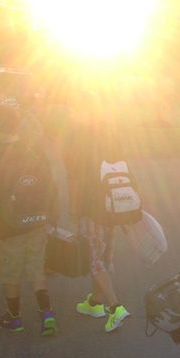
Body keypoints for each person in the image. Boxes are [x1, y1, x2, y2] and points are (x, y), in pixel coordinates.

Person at [0, 104, 58, 335]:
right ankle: (47, 315)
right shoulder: (34, 150)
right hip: (38, 220)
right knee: (36, 269)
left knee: (10, 272)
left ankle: (14, 318)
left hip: (9, 224)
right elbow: (50, 183)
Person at [63, 94, 130, 333]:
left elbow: (74, 179)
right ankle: (95, 303)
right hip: (113, 205)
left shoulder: (76, 138)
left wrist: (73, 210)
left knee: (95, 258)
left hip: (90, 208)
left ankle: (115, 307)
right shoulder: (110, 134)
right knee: (104, 256)